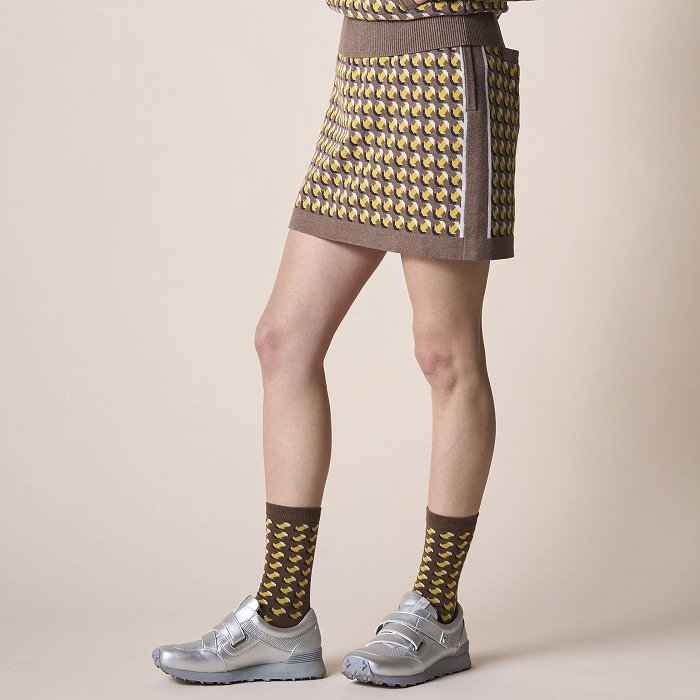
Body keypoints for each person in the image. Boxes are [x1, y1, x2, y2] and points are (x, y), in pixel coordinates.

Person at [152, 0, 529, 688]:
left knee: (445, 356)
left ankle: (437, 611)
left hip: (446, 68)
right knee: (282, 341)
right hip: (361, 70)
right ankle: (281, 616)